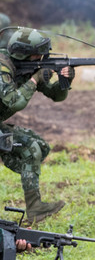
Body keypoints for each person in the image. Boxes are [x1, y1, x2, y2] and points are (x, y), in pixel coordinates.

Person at [0, 28, 74, 223]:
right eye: (37, 54)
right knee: (30, 150)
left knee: (40, 147)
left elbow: (56, 95)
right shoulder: (3, 68)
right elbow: (14, 102)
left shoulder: (29, 67)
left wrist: (65, 79)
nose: (42, 57)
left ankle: (29, 183)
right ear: (23, 54)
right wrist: (35, 80)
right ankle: (35, 209)